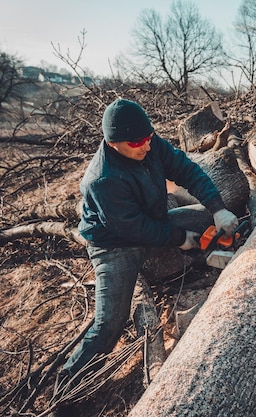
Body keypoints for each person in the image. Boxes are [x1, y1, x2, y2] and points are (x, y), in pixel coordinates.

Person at [54, 98, 238, 396]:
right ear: (113, 143)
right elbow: (136, 230)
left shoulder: (150, 144)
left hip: (153, 221)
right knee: (109, 324)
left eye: (149, 137)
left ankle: (209, 258)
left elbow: (187, 170)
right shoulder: (102, 180)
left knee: (206, 220)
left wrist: (217, 208)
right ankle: (66, 388)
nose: (147, 146)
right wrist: (181, 239)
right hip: (115, 247)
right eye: (138, 141)